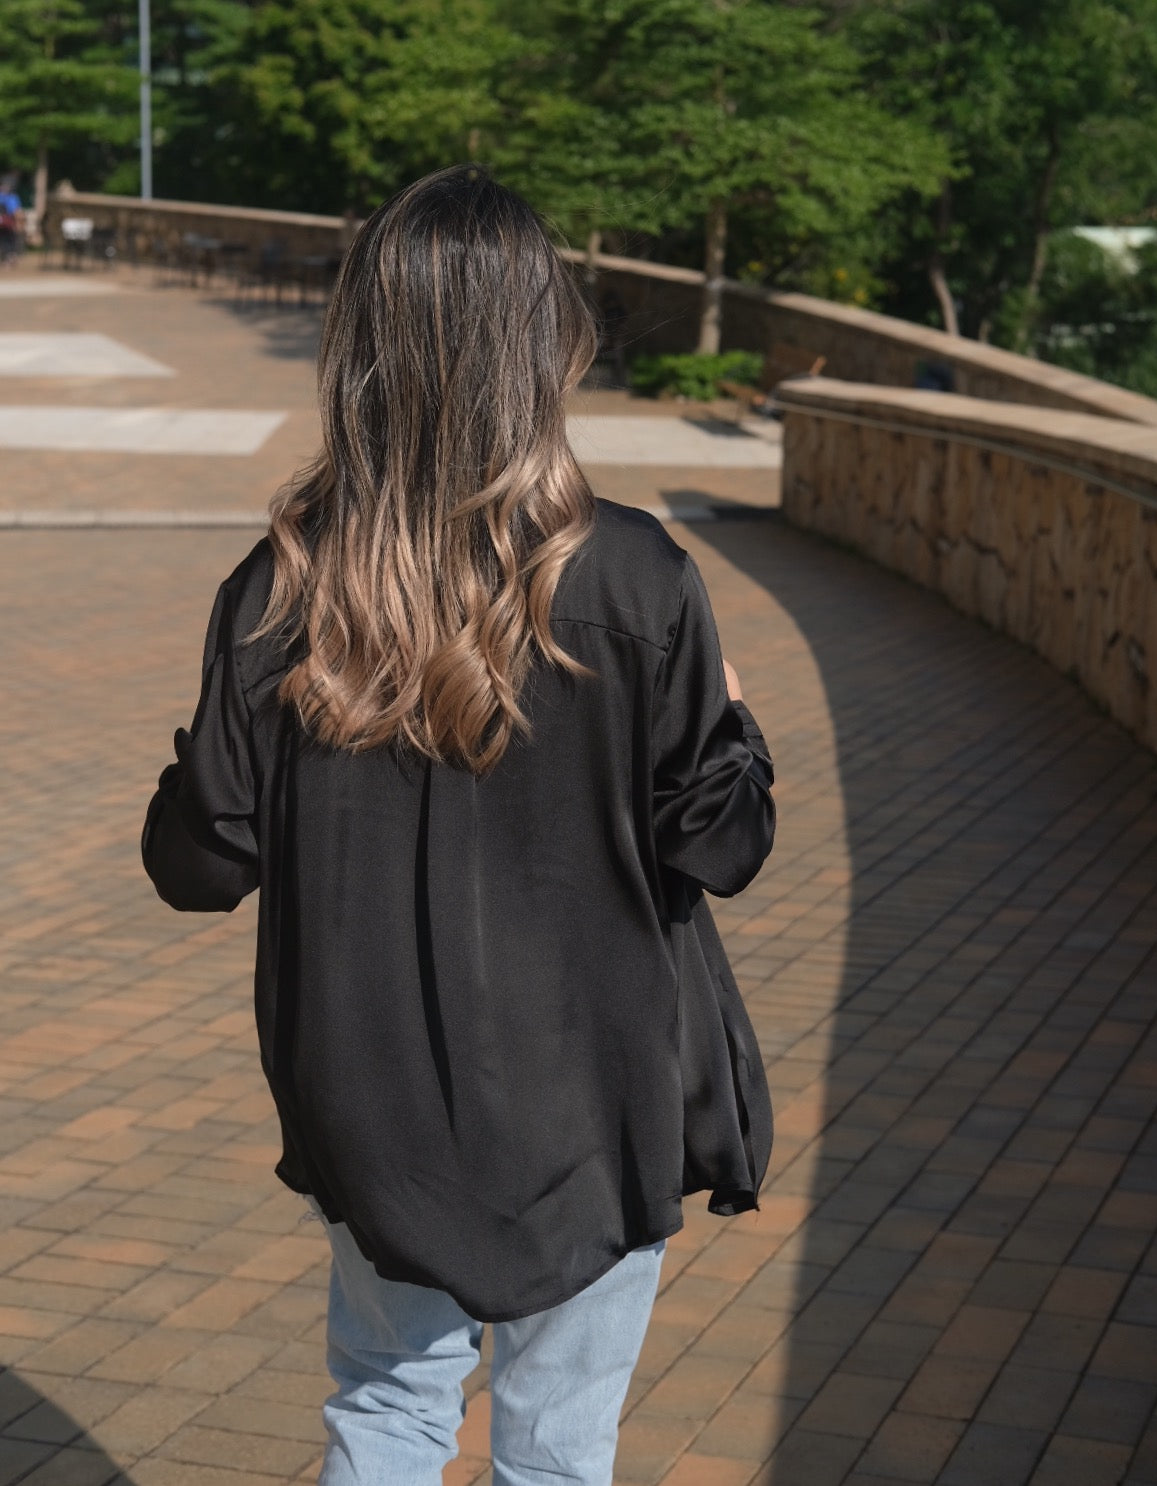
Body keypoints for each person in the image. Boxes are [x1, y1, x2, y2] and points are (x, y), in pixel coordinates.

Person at [142, 164, 776, 1486]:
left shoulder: (283, 587)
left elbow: (197, 862)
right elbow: (722, 844)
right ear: (542, 341)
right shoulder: (640, 575)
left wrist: (207, 753)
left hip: (372, 1106)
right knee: (557, 1453)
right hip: (598, 1107)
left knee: (383, 1416)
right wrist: (734, 721)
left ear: (365, 347)